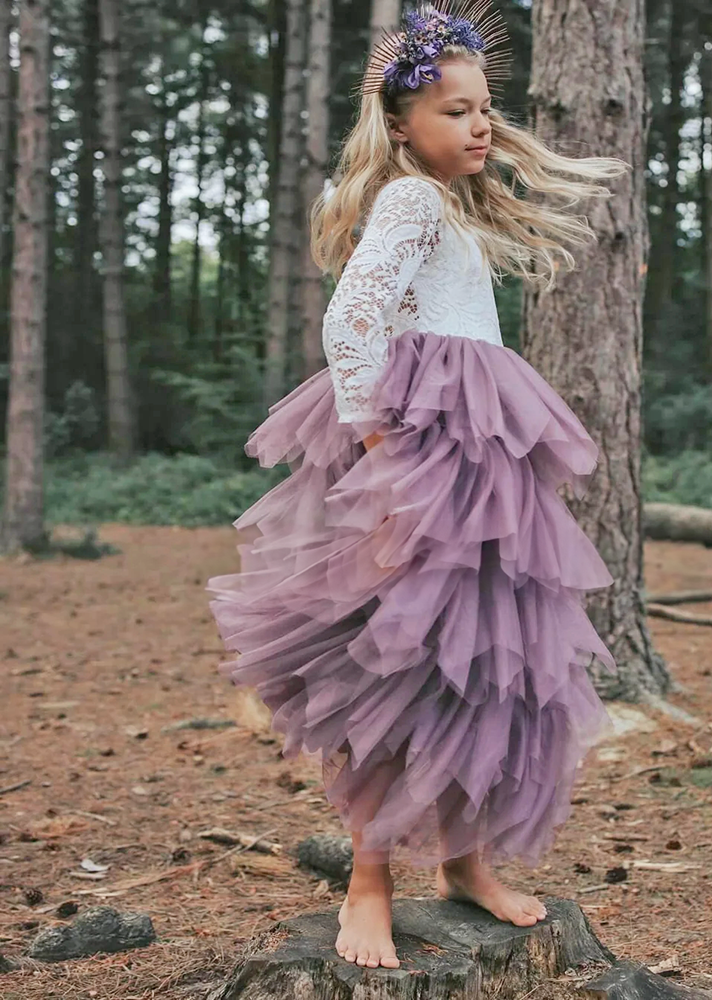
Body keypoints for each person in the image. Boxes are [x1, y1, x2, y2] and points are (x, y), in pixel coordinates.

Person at [206, 0, 628, 973]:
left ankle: (464, 863)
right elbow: (351, 323)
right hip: (420, 470)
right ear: (400, 125)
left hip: (475, 477)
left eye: (484, 107)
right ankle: (368, 877)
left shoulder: (450, 208)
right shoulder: (410, 199)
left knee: (470, 670)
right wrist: (375, 449)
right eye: (453, 110)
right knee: (393, 672)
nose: (479, 124)